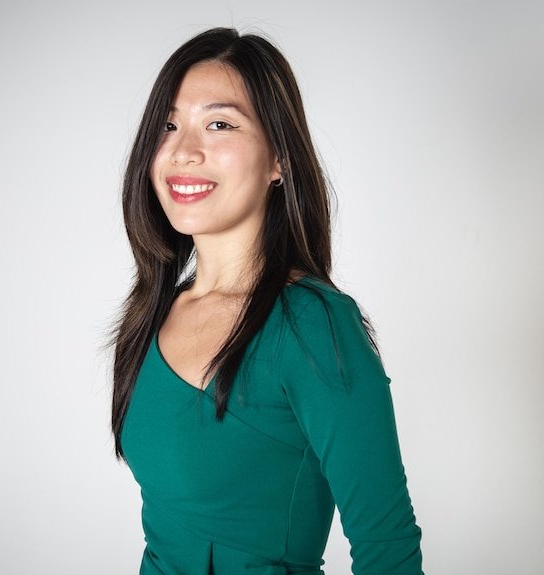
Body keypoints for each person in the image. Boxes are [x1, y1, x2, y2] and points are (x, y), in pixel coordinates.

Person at [111, 27, 423, 575]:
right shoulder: (157, 310)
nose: (184, 150)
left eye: (219, 123)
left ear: (278, 159)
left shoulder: (312, 325)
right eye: (168, 124)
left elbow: (387, 548)